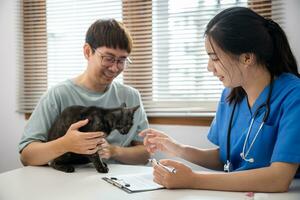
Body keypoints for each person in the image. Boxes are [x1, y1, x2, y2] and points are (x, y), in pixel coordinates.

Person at [139, 7, 300, 192]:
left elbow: (278, 179)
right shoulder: (231, 96)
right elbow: (225, 158)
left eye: (214, 58)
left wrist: (193, 179)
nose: (209, 68)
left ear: (247, 58)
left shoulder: (294, 95)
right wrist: (177, 148)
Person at [19, 19, 150, 166]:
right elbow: (26, 156)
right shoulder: (58, 95)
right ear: (88, 51)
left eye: (121, 60)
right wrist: (65, 144)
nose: (114, 68)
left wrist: (114, 151)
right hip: (72, 183)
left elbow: (145, 152)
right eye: (108, 58)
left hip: (119, 183)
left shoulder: (131, 97)